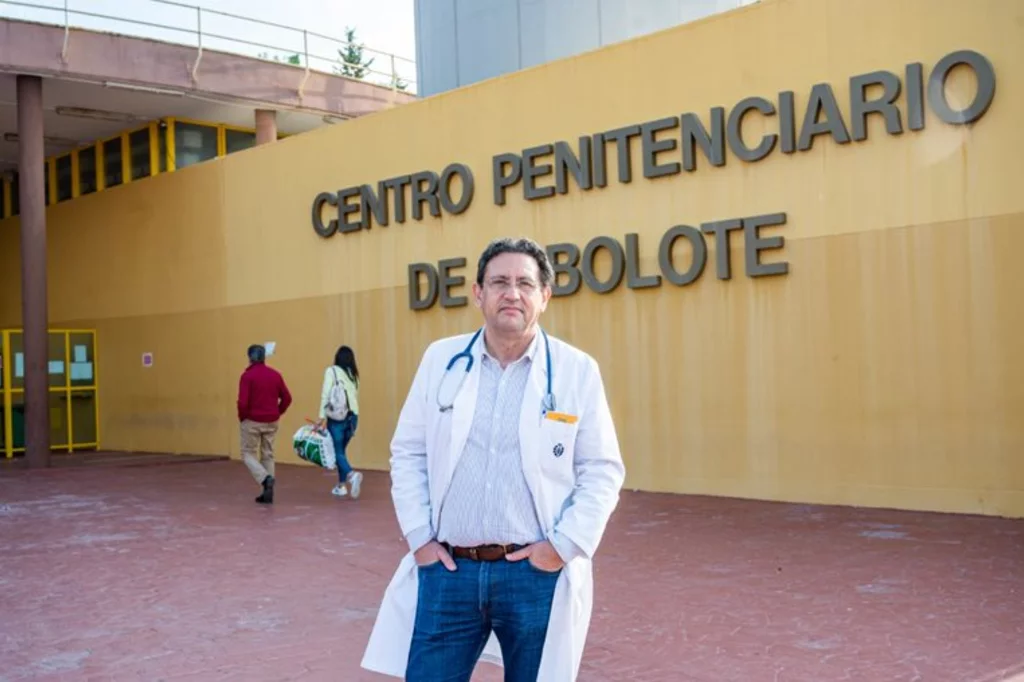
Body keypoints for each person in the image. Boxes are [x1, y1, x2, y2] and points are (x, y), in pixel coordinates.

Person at [361, 237, 626, 681]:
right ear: (478, 293)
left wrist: (562, 549)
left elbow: (602, 469)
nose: (512, 293)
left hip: (533, 576)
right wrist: (420, 539)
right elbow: (407, 452)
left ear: (545, 295)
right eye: (499, 281)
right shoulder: (441, 360)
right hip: (449, 570)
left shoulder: (576, 370)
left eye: (525, 283)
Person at [236, 344, 292, 504]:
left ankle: (265, 479)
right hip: (271, 421)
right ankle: (268, 492)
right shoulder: (275, 375)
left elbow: (242, 402)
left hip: (252, 420)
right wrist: (277, 412)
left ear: (249, 358)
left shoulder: (247, 377)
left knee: (247, 453)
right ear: (264, 357)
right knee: (268, 454)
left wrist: (243, 417)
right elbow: (287, 398)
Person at [316, 345, 363, 499]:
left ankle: (351, 475)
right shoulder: (353, 375)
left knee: (337, 452)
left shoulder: (332, 371)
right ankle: (341, 486)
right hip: (353, 417)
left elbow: (326, 393)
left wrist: (321, 416)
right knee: (340, 451)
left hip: (337, 417)